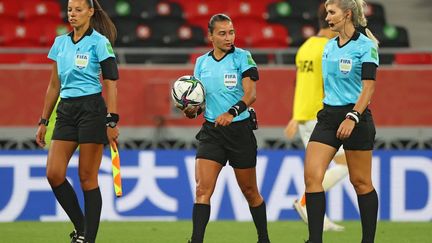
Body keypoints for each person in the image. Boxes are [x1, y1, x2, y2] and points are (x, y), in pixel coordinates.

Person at [179, 14, 270, 243]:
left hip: (240, 132)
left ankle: (264, 238)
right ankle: (196, 240)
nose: (228, 37)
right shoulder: (201, 62)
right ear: (210, 36)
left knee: (250, 192)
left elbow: (251, 95)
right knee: (202, 190)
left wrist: (232, 113)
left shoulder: (243, 57)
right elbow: (200, 100)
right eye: (222, 33)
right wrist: (193, 111)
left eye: (231, 32)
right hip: (212, 132)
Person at [35, 0, 119, 242]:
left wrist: (112, 120)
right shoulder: (60, 43)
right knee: (54, 173)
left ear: (91, 12)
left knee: (86, 177)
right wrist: (43, 120)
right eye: (70, 10)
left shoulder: (99, 42)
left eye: (78, 10)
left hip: (92, 109)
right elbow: (53, 85)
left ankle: (88, 238)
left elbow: (111, 82)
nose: (72, 14)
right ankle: (82, 228)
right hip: (66, 110)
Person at [303, 0, 379, 242]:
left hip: (355, 117)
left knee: (361, 182)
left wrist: (353, 116)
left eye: (332, 12)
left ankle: (368, 240)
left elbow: (368, 88)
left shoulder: (366, 46)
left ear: (347, 14)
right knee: (312, 177)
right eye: (327, 12)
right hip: (328, 116)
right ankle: (315, 239)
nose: (327, 17)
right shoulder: (328, 47)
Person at [284, 4, 347, 232]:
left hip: (304, 116)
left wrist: (295, 116)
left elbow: (301, 85)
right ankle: (304, 201)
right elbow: (328, 85)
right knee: (344, 165)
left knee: (318, 170)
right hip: (320, 116)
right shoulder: (330, 48)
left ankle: (319, 217)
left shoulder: (305, 47)